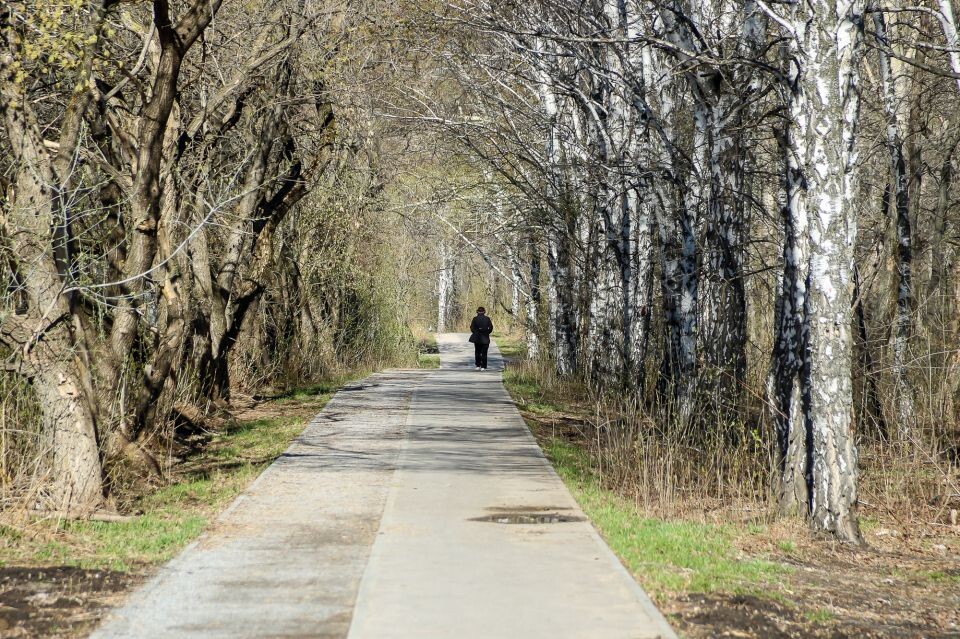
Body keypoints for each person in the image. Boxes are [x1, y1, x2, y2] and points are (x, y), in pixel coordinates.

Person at [469, 306, 494, 371]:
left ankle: (478, 365)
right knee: (484, 353)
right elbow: (491, 327)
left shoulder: (475, 319)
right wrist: (487, 332)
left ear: (477, 311)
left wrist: (475, 332)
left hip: (477, 338)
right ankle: (483, 367)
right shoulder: (487, 319)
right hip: (485, 338)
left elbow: (471, 327)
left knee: (477, 352)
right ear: (484, 312)